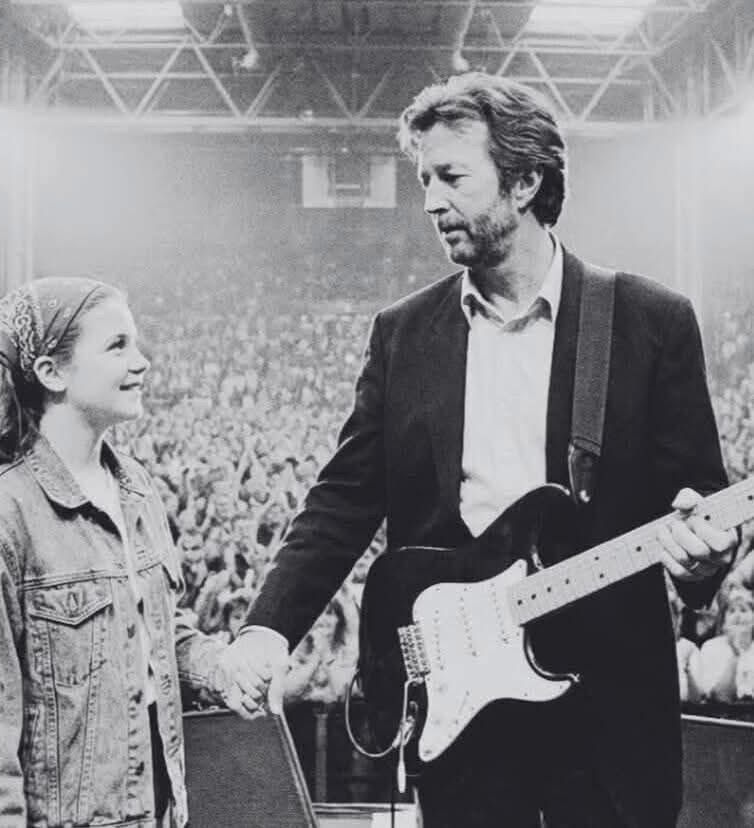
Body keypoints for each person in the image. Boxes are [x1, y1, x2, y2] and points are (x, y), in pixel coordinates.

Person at [223, 73, 738, 827]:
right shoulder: (403, 334)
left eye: (452, 177)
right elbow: (343, 499)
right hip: (464, 708)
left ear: (525, 181)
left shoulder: (648, 321)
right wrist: (269, 626)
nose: (431, 200)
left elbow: (701, 504)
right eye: (424, 180)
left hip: (610, 712)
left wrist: (705, 561)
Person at [0, 277, 261, 827]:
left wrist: (219, 667)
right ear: (51, 372)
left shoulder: (136, 488)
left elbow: (151, 629)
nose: (142, 362)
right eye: (117, 346)